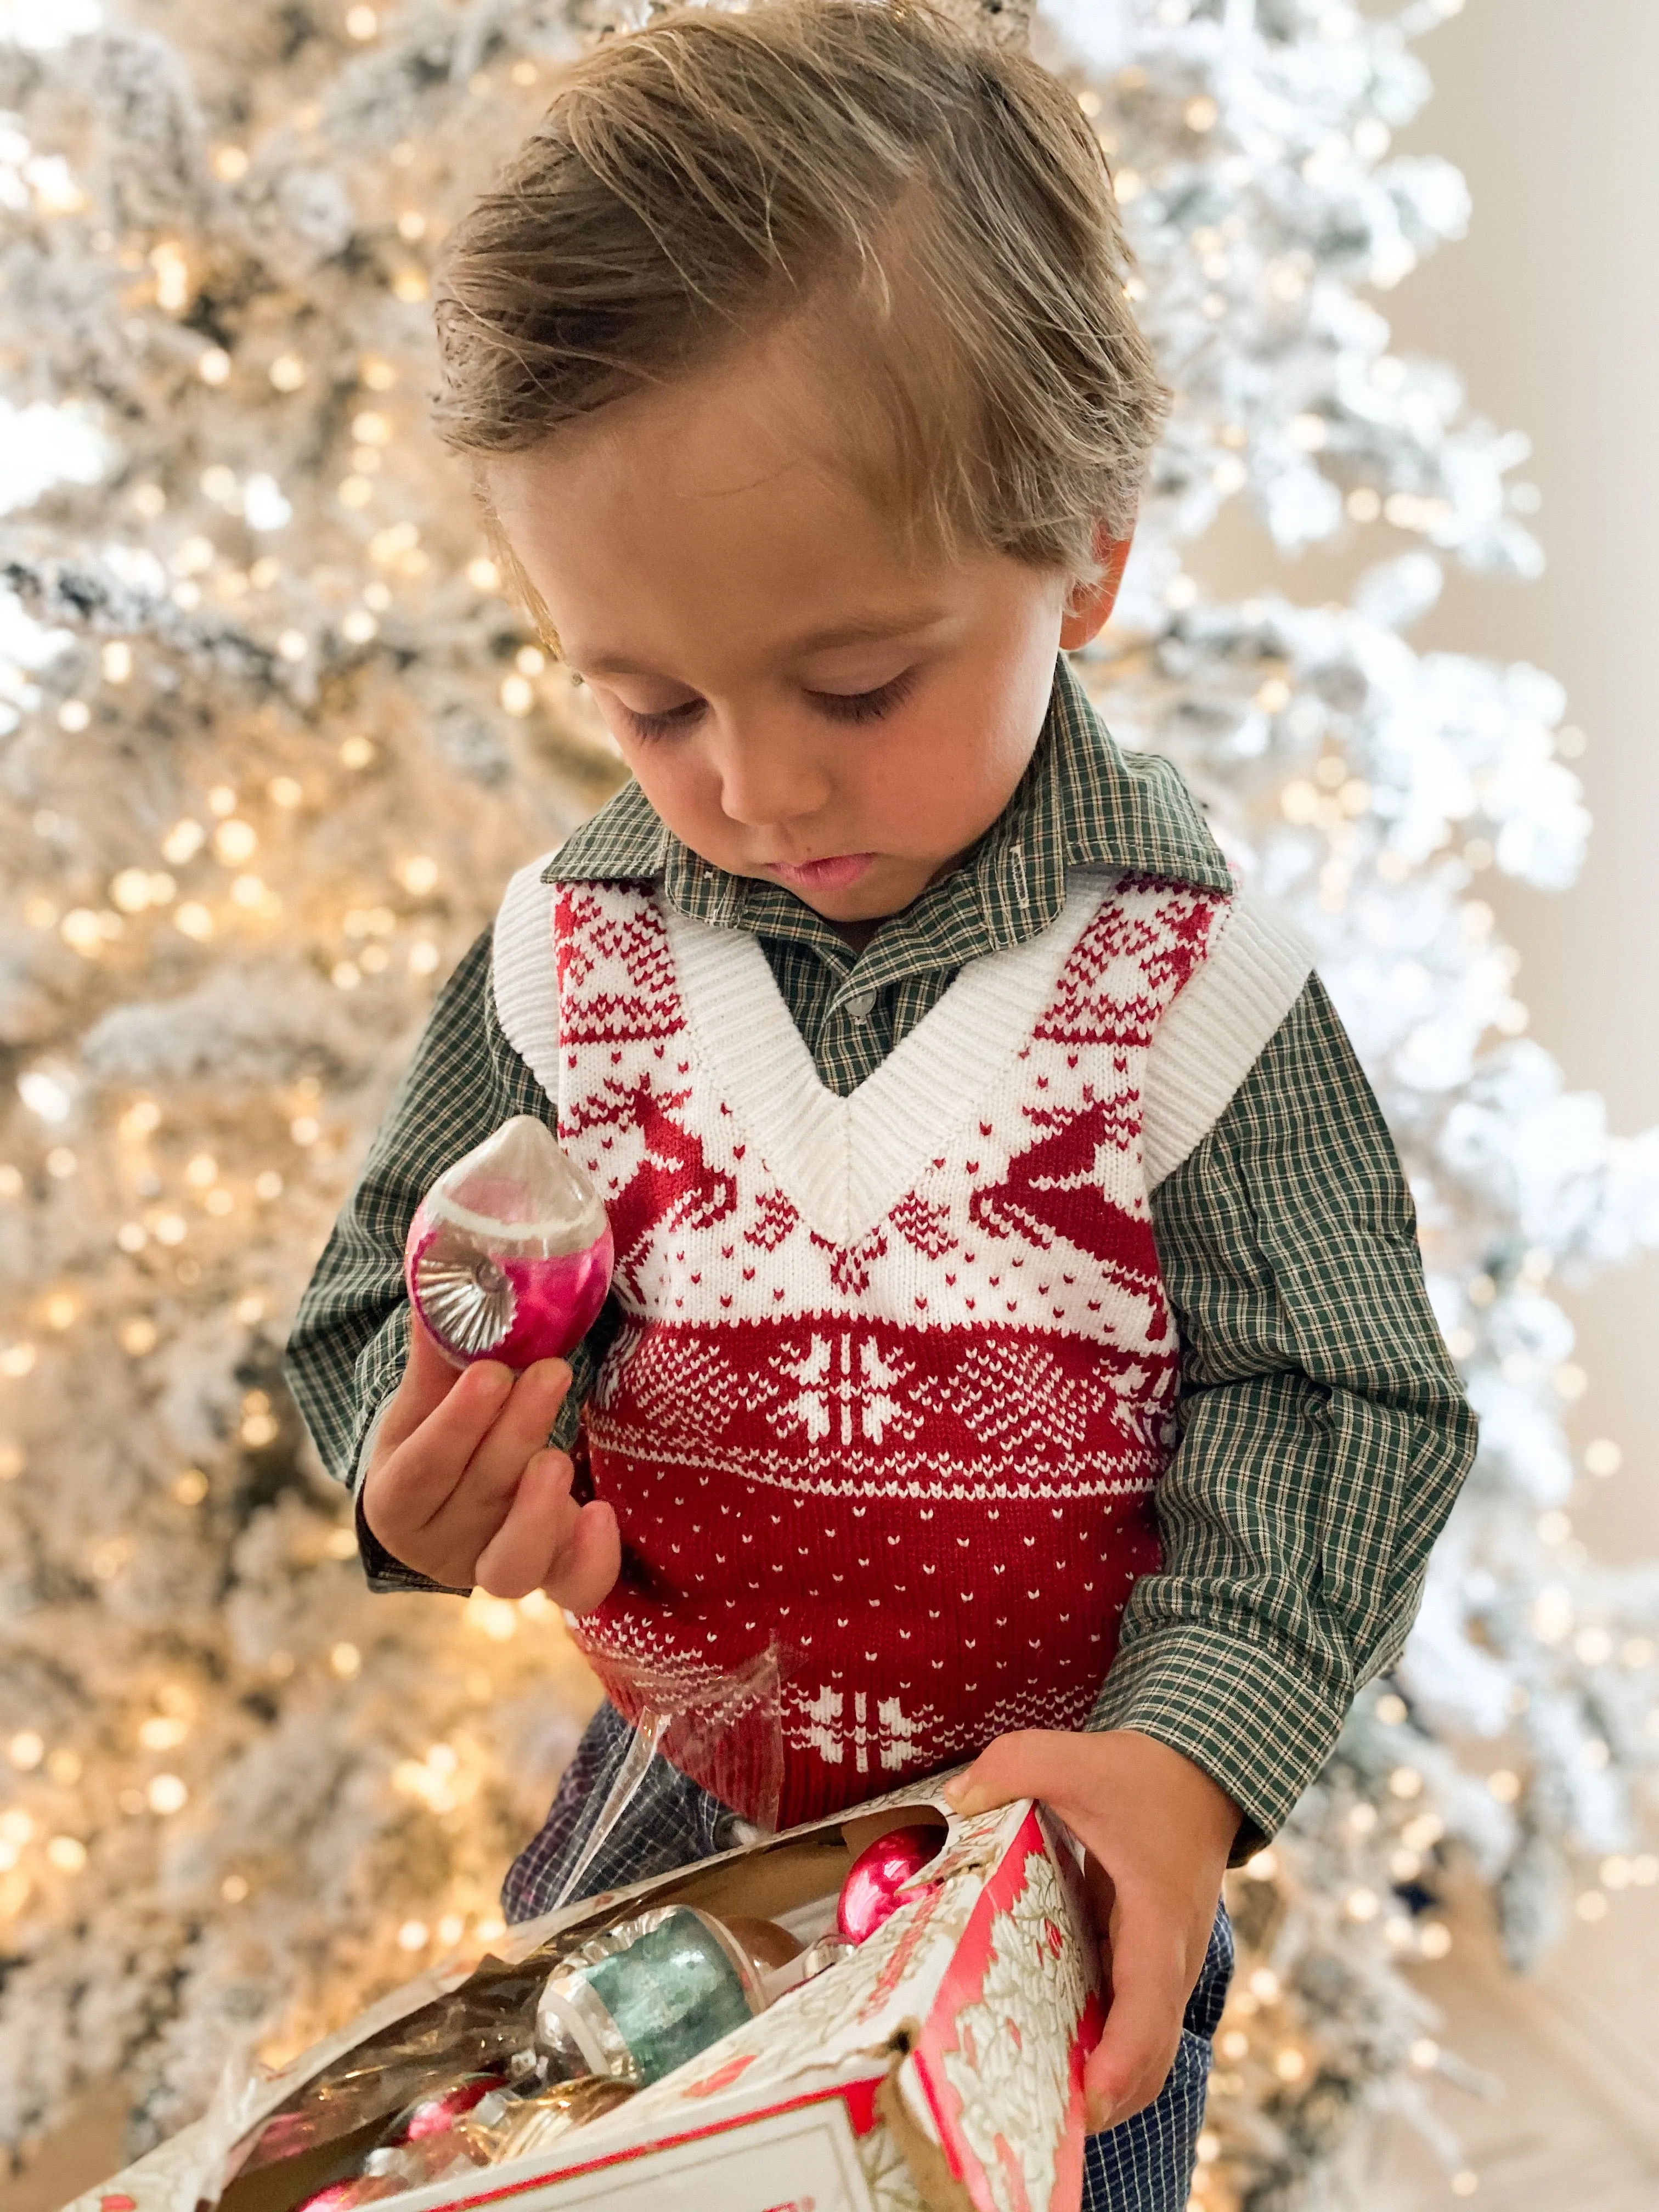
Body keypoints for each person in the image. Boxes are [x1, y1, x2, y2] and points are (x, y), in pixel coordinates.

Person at [286, 4, 1475, 2202]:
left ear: (1086, 552)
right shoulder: (569, 963)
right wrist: (422, 1469)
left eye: (857, 682)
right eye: (649, 703)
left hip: (1051, 1871)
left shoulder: (1188, 992)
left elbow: (1333, 1407)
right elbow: (379, 1297)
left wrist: (1187, 1761)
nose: (755, 785)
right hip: (662, 1845)